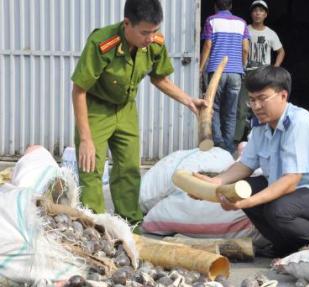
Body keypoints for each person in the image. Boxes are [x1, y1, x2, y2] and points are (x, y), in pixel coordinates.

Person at [195, 66, 309, 257]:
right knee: (241, 188)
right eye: (252, 100)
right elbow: (244, 165)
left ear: (283, 95)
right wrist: (215, 183)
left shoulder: (299, 123)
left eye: (263, 98)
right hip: (299, 195)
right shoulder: (260, 126)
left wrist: (247, 202)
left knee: (277, 209)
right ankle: (286, 248)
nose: (256, 106)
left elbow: (290, 181)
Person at [71, 0, 206, 228]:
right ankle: (94, 228)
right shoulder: (102, 43)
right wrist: (85, 139)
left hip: (126, 109)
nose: (151, 38)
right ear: (127, 24)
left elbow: (159, 78)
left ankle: (130, 225)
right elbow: (79, 90)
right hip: (96, 108)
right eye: (145, 32)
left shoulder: (153, 42)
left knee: (129, 169)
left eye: (155, 31)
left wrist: (188, 100)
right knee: (91, 167)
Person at [200, 0, 250, 154]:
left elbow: (208, 45)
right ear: (231, 6)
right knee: (231, 110)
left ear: (215, 6)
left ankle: (218, 143)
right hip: (236, 72)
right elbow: (246, 49)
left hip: (216, 70)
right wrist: (241, 66)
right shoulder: (242, 23)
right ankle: (228, 146)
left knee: (213, 107)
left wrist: (200, 67)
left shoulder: (212, 20)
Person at [235, 0, 285, 144]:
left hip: (263, 77)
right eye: (255, 10)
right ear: (251, 13)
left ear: (266, 14)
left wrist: (275, 68)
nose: (258, 13)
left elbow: (281, 51)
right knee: (242, 109)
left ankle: (260, 139)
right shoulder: (245, 30)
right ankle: (237, 140)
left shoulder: (270, 33)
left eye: (261, 11)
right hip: (246, 75)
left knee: (263, 108)